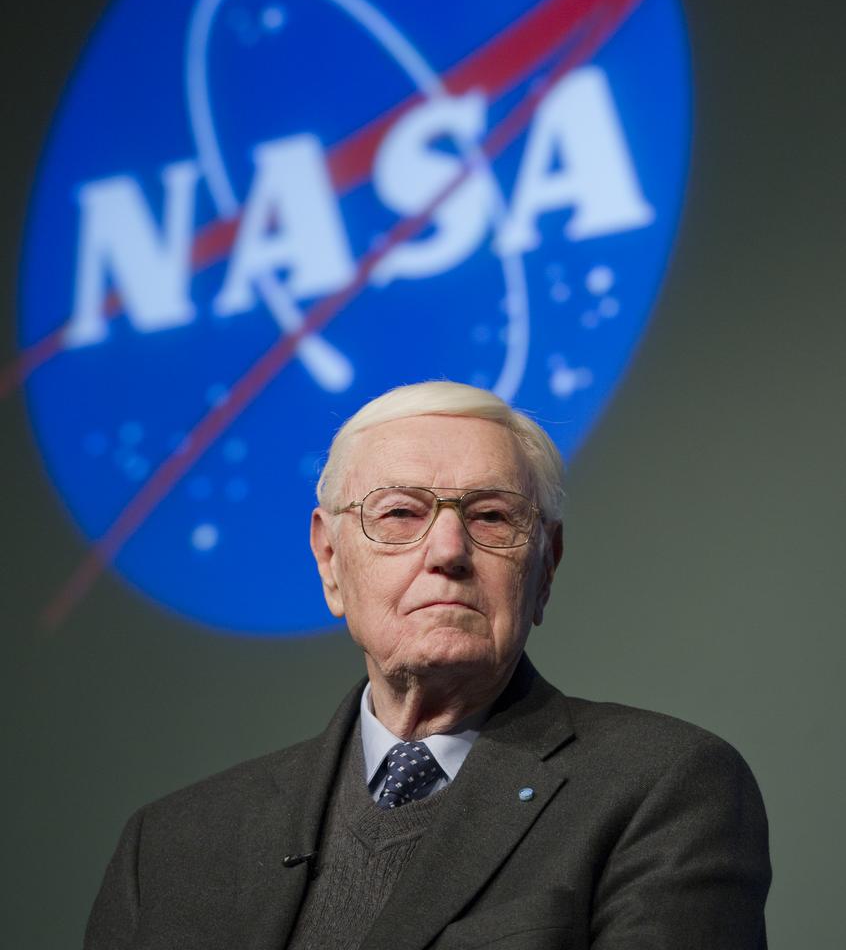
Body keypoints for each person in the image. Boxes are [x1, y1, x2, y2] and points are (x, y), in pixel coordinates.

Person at [85, 380, 770, 949]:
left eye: (493, 517)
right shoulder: (171, 846)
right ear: (329, 561)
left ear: (546, 568)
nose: (448, 550)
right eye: (400, 513)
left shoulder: (662, 787)